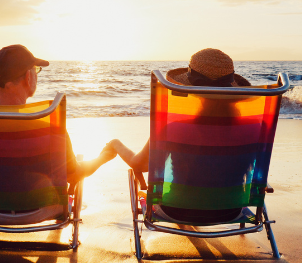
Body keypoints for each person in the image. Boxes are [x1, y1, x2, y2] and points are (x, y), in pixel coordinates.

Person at [0, 44, 116, 223]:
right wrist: (102, 158)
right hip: (41, 211)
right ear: (28, 77)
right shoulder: (49, 126)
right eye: (36, 70)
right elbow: (73, 174)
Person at [104, 48, 251, 223]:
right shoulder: (250, 130)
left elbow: (140, 164)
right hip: (230, 211)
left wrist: (116, 144)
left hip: (175, 210)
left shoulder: (174, 128)